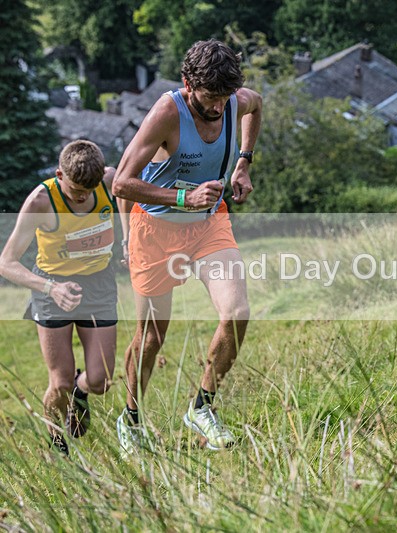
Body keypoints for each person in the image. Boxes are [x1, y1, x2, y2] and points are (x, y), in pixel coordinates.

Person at [112, 39, 262, 454]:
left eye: (224, 98)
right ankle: (131, 417)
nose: (217, 108)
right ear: (187, 84)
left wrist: (244, 163)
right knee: (151, 337)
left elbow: (257, 104)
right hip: (155, 229)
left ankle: (202, 407)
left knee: (237, 312)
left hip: (208, 224)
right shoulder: (167, 112)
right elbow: (121, 182)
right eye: (210, 98)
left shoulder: (235, 100)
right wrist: (183, 198)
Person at [0, 140, 118, 455]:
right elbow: (6, 262)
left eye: (88, 191)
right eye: (76, 190)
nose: (82, 197)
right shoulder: (41, 201)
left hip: (99, 286)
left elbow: (130, 200)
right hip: (53, 290)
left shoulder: (107, 180)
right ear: (59, 175)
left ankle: (82, 391)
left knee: (101, 381)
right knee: (60, 381)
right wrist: (51, 288)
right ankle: (56, 441)